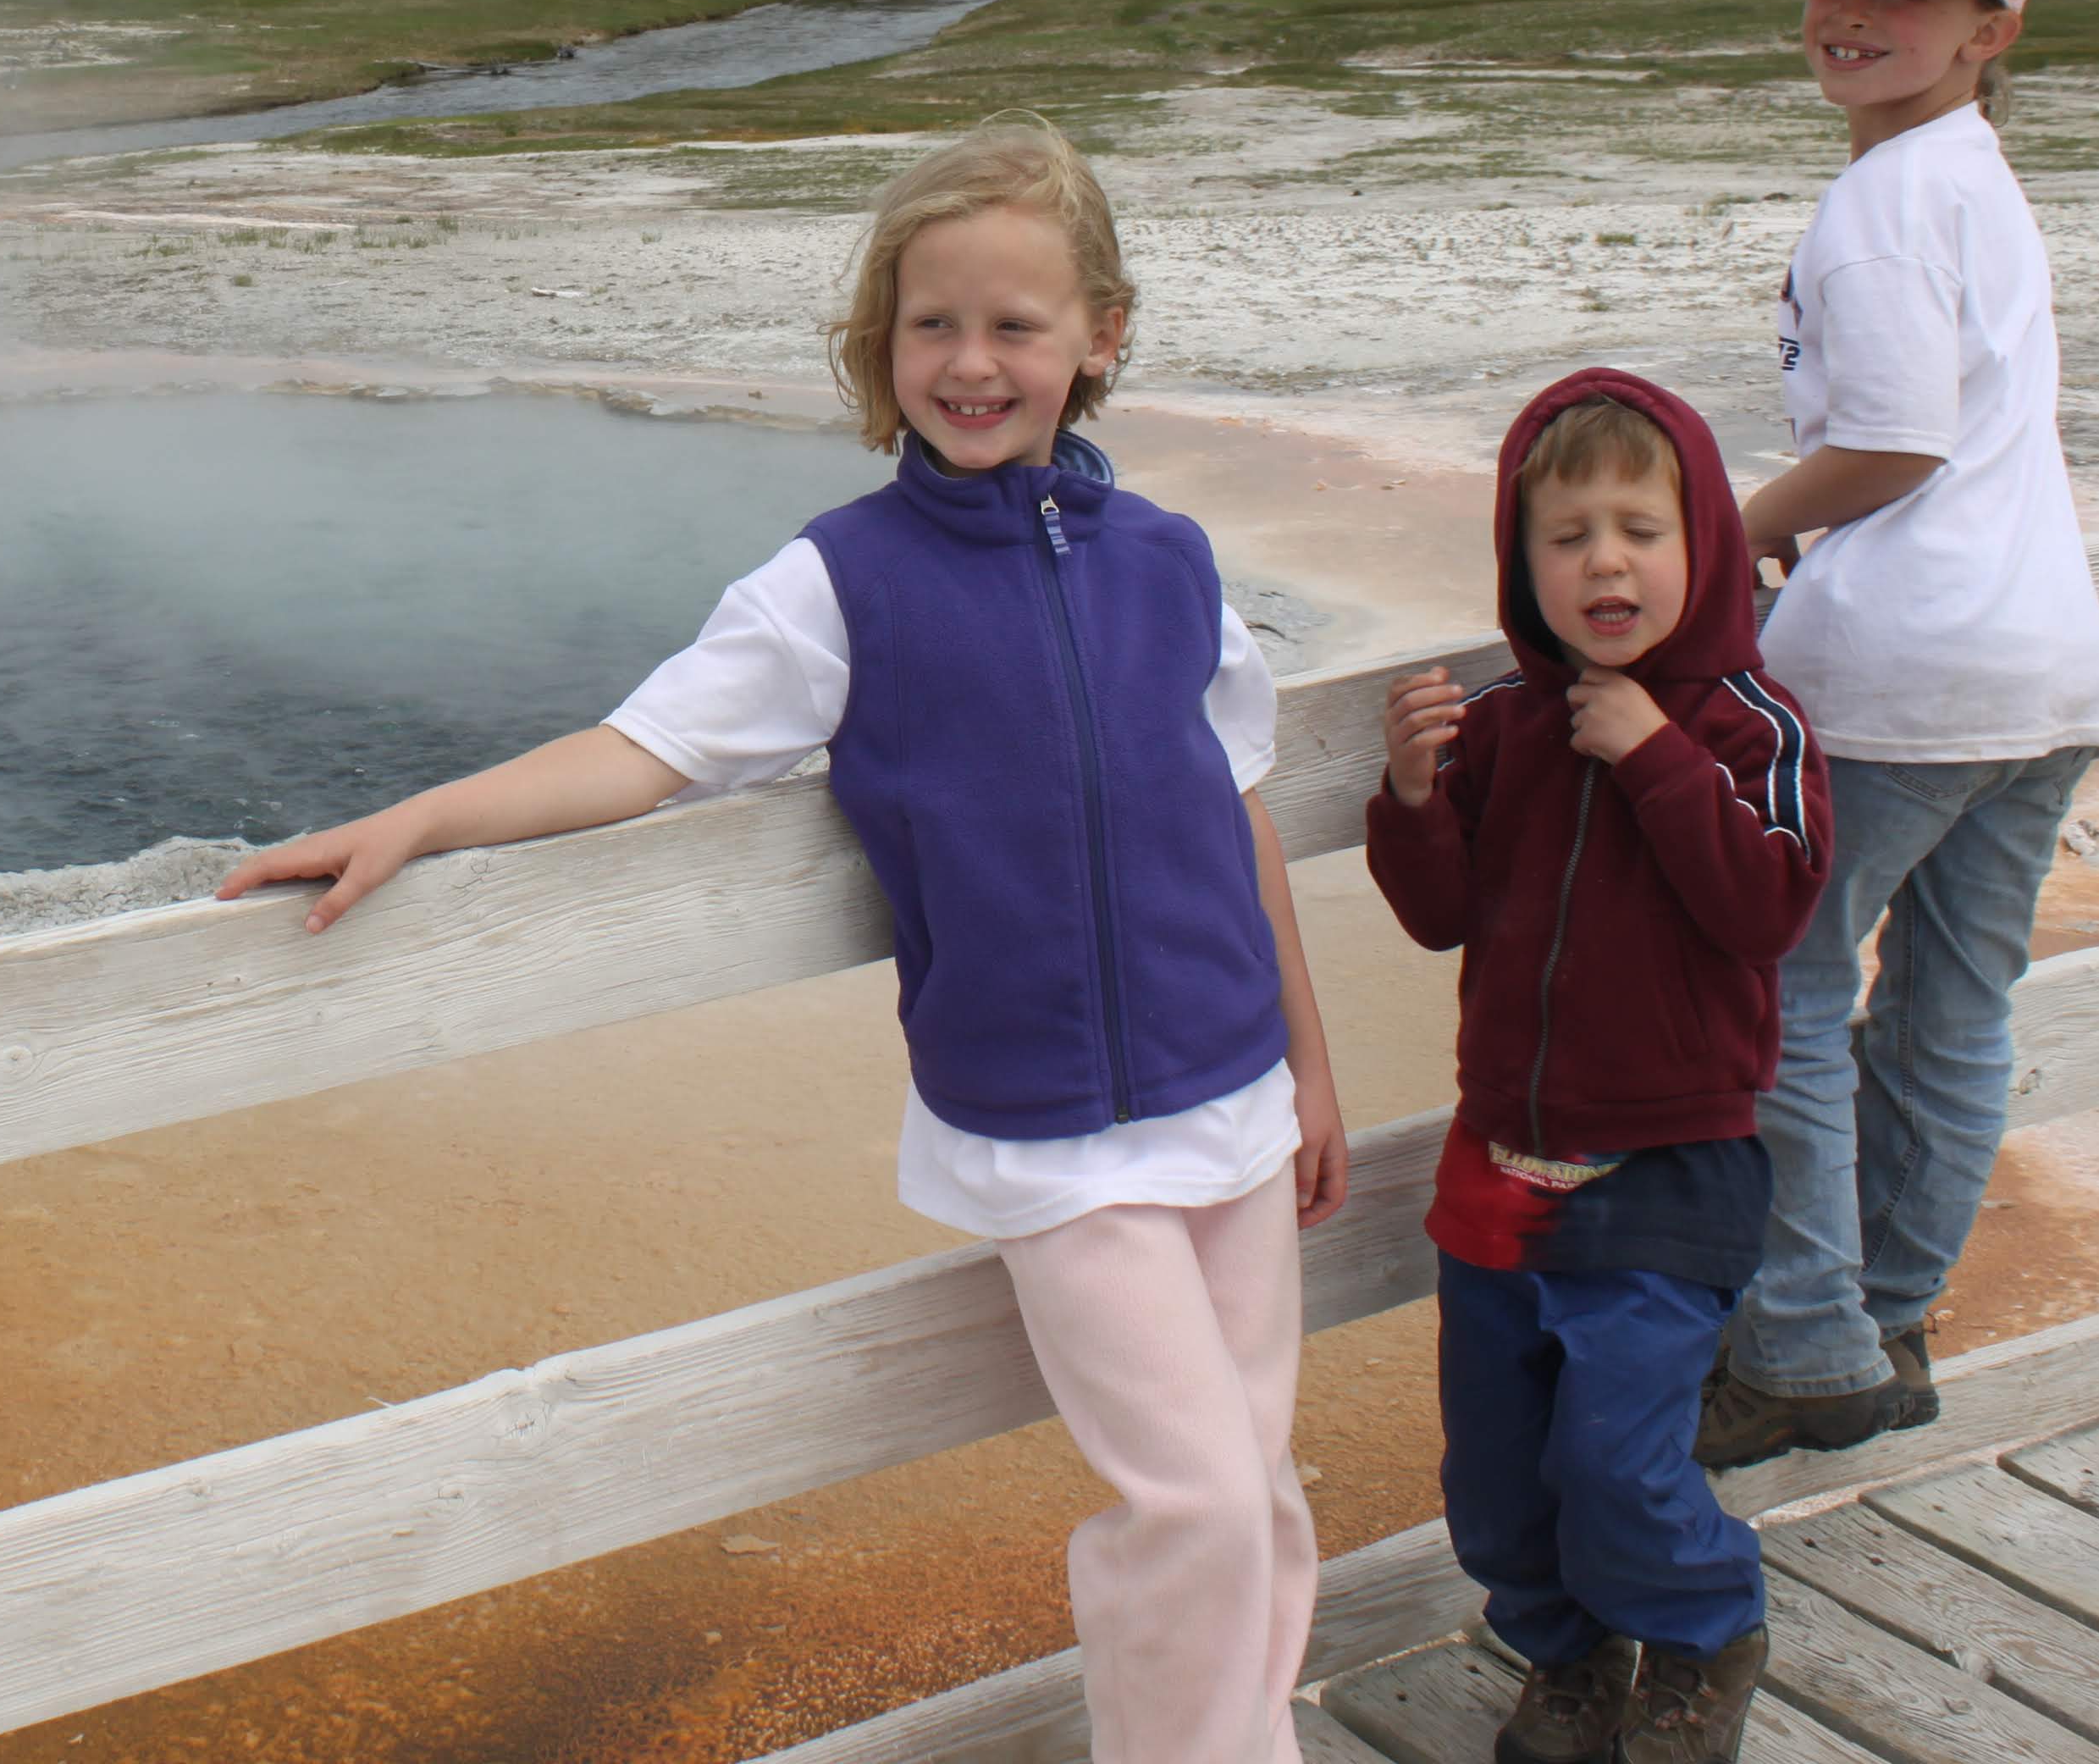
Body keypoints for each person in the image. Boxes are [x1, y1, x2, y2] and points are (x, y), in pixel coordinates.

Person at [220, 113, 1347, 1764]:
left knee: (1260, 1489)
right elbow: (645, 749)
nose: (972, 362)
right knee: (1194, 1506)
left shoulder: (1170, 564)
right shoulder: (840, 584)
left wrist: (1314, 1066)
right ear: (880, 347)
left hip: (1235, 1100)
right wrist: (425, 816)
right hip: (1051, 1138)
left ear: (1100, 337)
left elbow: (1237, 804)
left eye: (1014, 325)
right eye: (932, 325)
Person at [1700, 0, 2099, 1472]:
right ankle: (1890, 1319)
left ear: (1991, 24)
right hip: (2042, 668)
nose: (1852, 20)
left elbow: (1887, 440)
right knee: (1952, 1005)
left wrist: (1734, 535)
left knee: (1784, 989)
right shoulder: (1973, 173)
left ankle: (1805, 1346)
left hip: (1905, 671)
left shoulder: (1880, 203)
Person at [1371, 373, 1829, 1763]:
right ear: (1524, 563)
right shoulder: (1512, 723)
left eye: (1640, 527)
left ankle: (1704, 1632)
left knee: (1620, 1462)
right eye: (1566, 537)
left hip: (1671, 1164)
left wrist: (1656, 757)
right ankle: (1564, 1657)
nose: (1605, 562)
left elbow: (1771, 910)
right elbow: (1442, 909)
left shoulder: (1752, 728)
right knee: (1498, 1477)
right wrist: (1407, 797)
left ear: (1704, 548)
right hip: (1501, 1160)